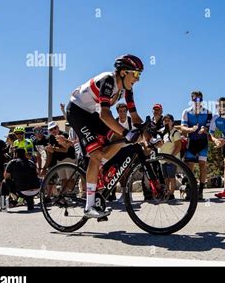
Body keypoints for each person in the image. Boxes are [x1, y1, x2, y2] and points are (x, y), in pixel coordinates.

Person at [65, 54, 144, 218]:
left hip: (91, 113)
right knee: (96, 154)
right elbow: (105, 115)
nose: (137, 79)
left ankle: (99, 167)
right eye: (135, 74)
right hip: (76, 112)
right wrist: (126, 132)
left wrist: (148, 131)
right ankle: (89, 206)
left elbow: (135, 117)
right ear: (123, 72)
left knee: (117, 139)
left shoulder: (126, 89)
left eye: (139, 75)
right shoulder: (108, 80)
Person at [180, 91, 212, 200]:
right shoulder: (186, 112)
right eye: (194, 99)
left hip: (202, 142)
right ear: (191, 100)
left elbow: (210, 129)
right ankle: (190, 189)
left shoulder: (208, 112)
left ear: (202, 100)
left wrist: (205, 129)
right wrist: (190, 129)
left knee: (202, 164)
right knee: (190, 166)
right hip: (191, 141)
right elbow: (182, 128)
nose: (197, 102)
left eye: (199, 99)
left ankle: (201, 191)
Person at [159, 114, 182, 199]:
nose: (166, 122)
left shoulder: (175, 133)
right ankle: (167, 193)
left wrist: (171, 157)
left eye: (168, 120)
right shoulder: (161, 132)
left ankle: (171, 194)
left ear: (172, 122)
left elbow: (178, 146)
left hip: (172, 159)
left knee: (172, 177)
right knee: (165, 178)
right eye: (165, 121)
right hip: (162, 159)